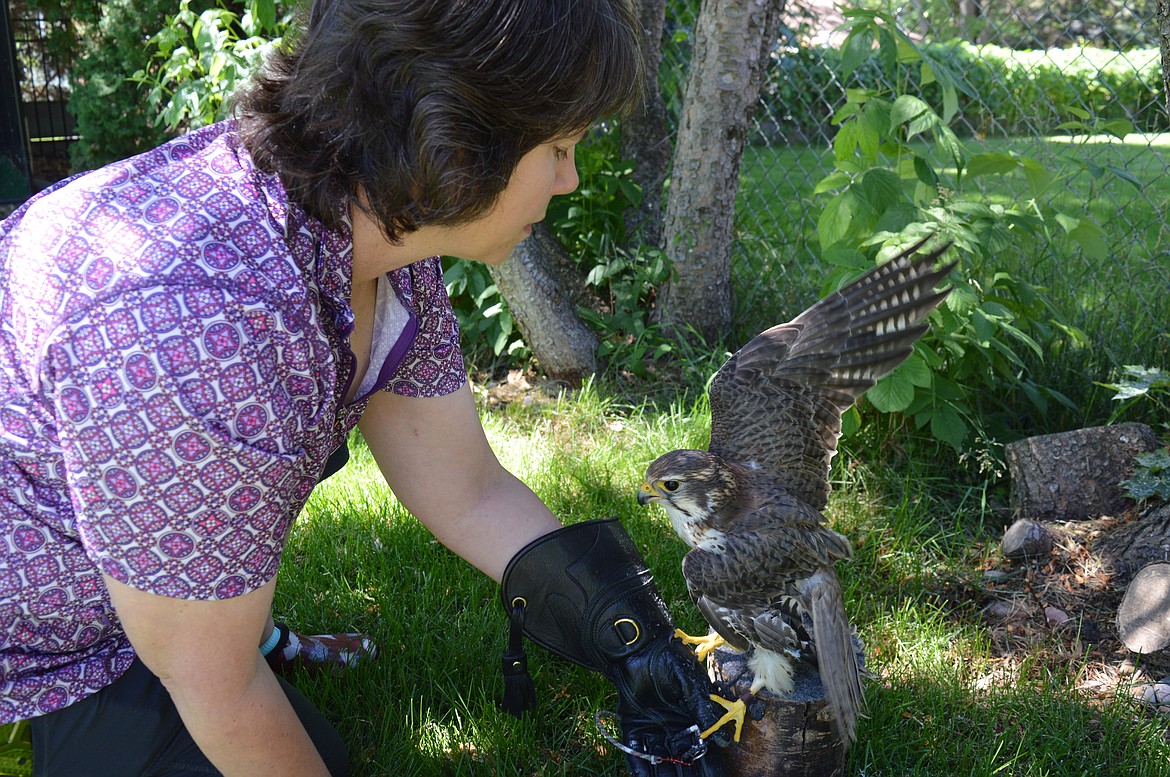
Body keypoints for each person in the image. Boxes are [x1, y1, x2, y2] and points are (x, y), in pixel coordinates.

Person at [0, 0, 728, 775]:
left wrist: (637, 637)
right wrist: (217, 659)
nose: (569, 179)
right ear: (456, 140)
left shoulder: (382, 236)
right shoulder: (198, 322)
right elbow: (217, 688)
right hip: (34, 657)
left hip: (124, 600)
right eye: (557, 147)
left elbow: (467, 488)